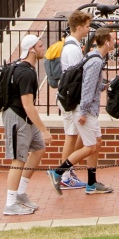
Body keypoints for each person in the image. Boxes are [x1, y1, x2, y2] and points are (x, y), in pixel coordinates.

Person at [55, 27, 115, 195]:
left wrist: (106, 85)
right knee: (90, 147)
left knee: (97, 143)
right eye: (113, 39)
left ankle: (91, 183)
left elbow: (91, 84)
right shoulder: (96, 61)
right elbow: (87, 88)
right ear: (107, 42)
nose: (115, 43)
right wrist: (83, 112)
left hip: (88, 108)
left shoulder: (93, 56)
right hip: (85, 109)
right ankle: (58, 172)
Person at [1, 34, 52, 216]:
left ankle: (21, 193)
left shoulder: (24, 68)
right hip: (17, 118)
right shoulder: (26, 73)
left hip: (24, 118)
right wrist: (44, 129)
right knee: (18, 159)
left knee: (38, 148)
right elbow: (28, 105)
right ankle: (10, 203)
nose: (43, 48)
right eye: (40, 46)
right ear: (31, 50)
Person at [48, 11, 93, 193]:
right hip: (70, 99)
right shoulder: (73, 49)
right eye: (88, 26)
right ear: (79, 27)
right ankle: (64, 175)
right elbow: (77, 76)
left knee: (74, 135)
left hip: (67, 98)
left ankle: (67, 171)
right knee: (73, 135)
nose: (89, 30)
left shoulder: (71, 45)